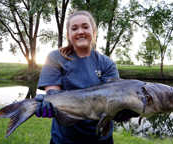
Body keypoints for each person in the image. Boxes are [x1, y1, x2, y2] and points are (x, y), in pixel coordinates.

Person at [36, 10, 119, 144]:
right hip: (64, 139)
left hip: (101, 139)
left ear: (93, 32)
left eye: (85, 27)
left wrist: (121, 111)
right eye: (74, 28)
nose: (80, 31)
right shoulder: (55, 57)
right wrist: (49, 106)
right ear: (69, 35)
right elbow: (54, 96)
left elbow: (112, 99)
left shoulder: (107, 63)